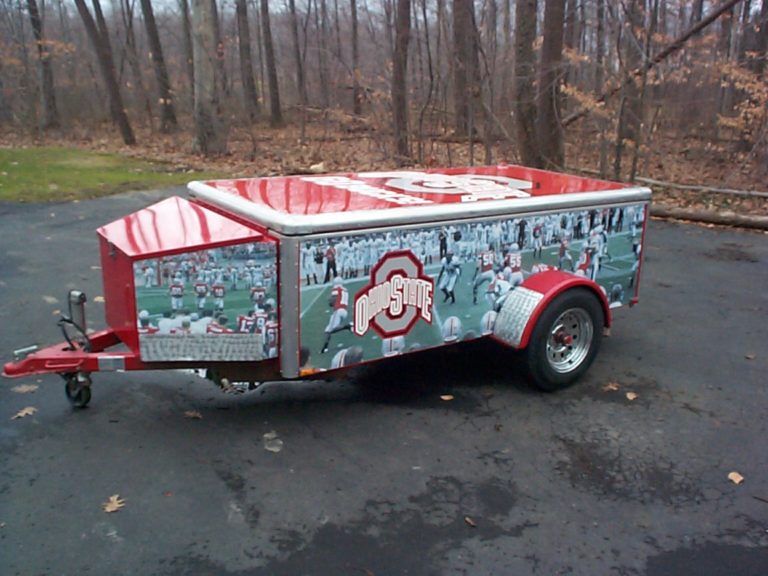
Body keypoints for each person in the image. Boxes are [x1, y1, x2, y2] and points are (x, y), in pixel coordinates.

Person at [321, 277, 351, 354]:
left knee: (329, 330)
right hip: (344, 311)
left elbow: (332, 301)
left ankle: (347, 326)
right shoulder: (345, 290)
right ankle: (324, 348)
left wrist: (329, 300)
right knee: (328, 330)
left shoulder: (336, 289)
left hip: (338, 311)